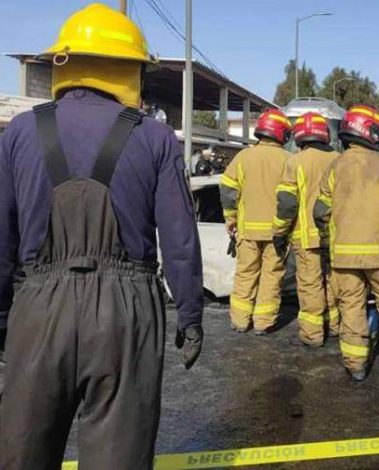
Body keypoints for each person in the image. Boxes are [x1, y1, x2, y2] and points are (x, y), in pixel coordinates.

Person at [0, 4, 203, 469]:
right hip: (124, 315)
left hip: (37, 308)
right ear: (129, 69)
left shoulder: (20, 133)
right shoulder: (154, 137)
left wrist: (1, 317)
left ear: (63, 62)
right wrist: (190, 313)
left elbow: (1, 235)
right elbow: (179, 236)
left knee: (21, 454)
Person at [313, 105, 379, 381]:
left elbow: (320, 212)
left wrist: (329, 243)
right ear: (370, 132)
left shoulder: (335, 167)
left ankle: (356, 366)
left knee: (351, 308)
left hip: (344, 258)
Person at [220, 109, 291, 334]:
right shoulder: (288, 161)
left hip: (247, 231)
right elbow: (291, 200)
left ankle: (240, 321)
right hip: (276, 233)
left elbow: (228, 189)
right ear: (282, 133)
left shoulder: (243, 157)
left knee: (245, 274)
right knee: (271, 277)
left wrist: (230, 218)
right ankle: (263, 323)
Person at [273, 112, 340, 347]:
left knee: (310, 284)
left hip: (306, 236)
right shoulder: (338, 159)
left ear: (299, 136)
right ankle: (334, 325)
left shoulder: (295, 162)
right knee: (332, 281)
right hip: (334, 236)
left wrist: (280, 233)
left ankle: (313, 335)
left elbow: (287, 204)